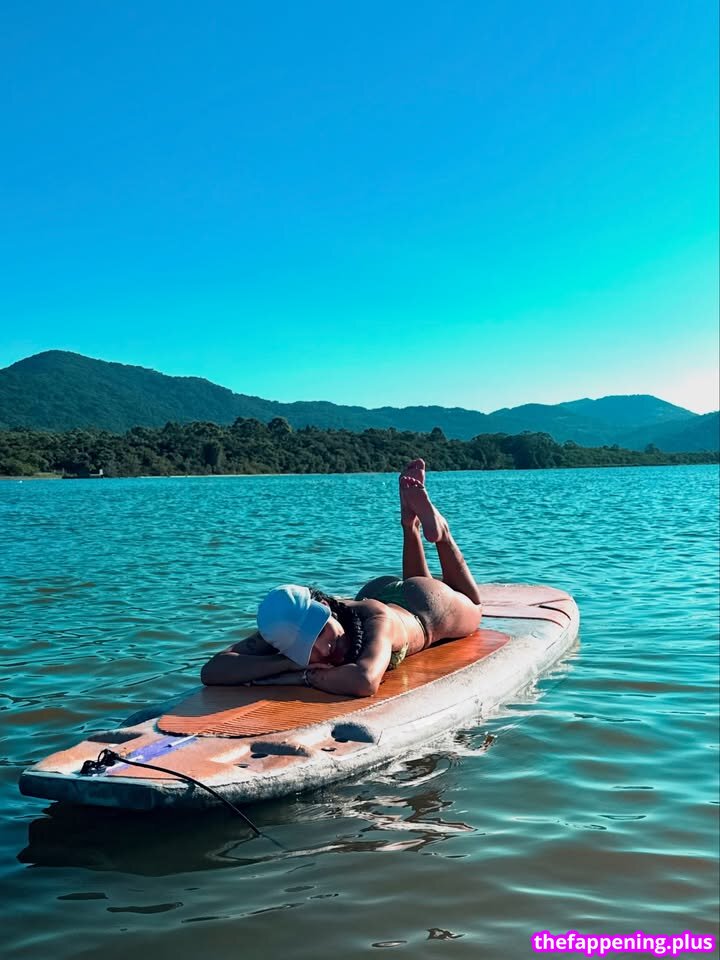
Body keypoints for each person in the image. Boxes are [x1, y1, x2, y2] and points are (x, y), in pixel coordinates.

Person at [200, 459, 483, 697]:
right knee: (420, 580)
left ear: (326, 606)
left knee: (475, 607)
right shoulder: (285, 628)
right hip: (380, 591)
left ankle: (442, 535)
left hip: (427, 610)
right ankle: (409, 524)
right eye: (307, 648)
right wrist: (286, 663)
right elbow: (213, 671)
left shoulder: (377, 621)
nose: (324, 648)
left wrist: (303, 675)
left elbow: (364, 681)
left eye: (320, 630)